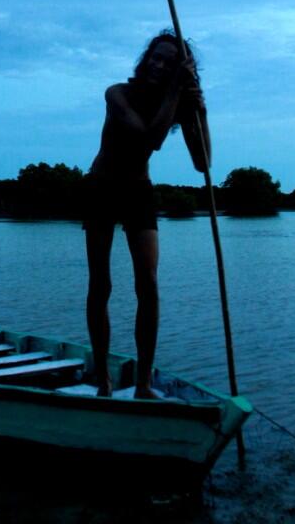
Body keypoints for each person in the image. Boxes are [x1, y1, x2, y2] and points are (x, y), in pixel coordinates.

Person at [83, 30, 211, 399]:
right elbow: (148, 138)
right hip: (102, 188)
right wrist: (176, 92)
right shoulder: (117, 94)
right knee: (101, 284)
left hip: (138, 190)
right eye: (155, 57)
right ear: (145, 58)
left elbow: (203, 163)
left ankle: (142, 384)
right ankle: (103, 380)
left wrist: (199, 110)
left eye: (169, 62)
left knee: (149, 285)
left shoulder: (177, 103)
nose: (158, 64)